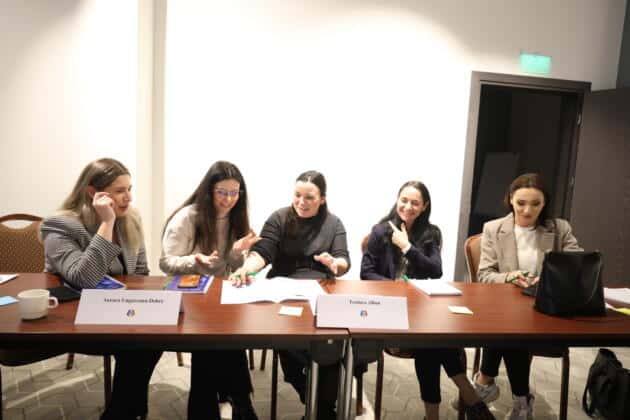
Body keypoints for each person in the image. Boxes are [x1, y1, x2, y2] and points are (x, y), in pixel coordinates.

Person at [361, 180, 495, 420]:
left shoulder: (431, 233)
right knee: (433, 342)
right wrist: (397, 287)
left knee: (432, 342)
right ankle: (471, 400)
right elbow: (366, 272)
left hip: (420, 309)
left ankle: (435, 415)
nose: (408, 206)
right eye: (404, 200)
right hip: (391, 309)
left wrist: (407, 247)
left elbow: (435, 270)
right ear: (397, 200)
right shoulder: (381, 231)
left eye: (415, 203)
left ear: (424, 206)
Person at [40, 158, 162, 420]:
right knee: (138, 345)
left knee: (153, 336)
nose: (128, 197)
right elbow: (83, 278)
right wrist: (107, 223)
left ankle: (123, 411)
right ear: (93, 193)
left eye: (130, 189)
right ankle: (126, 411)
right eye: (120, 191)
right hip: (75, 316)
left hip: (117, 310)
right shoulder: (59, 225)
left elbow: (140, 273)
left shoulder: (130, 218)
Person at [230, 170, 350, 420]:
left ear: (322, 199)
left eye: (309, 197)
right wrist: (246, 268)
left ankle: (320, 409)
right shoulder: (280, 218)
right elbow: (263, 251)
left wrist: (334, 264)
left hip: (320, 291)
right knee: (289, 341)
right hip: (284, 293)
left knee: (330, 346)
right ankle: (319, 406)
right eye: (297, 195)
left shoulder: (333, 224)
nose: (301, 202)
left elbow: (343, 260)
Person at [475, 173, 582, 420]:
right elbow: (485, 275)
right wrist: (510, 277)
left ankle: (484, 382)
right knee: (511, 327)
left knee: (509, 329)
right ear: (510, 199)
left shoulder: (559, 228)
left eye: (535, 204)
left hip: (547, 307)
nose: (527, 210)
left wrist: (548, 278)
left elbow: (577, 265)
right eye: (521, 203)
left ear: (545, 204)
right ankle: (522, 400)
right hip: (507, 309)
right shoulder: (493, 228)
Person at [160, 161, 259, 420]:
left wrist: (236, 254)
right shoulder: (187, 217)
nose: (228, 200)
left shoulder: (236, 217)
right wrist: (195, 260)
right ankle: (240, 403)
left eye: (234, 193)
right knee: (216, 340)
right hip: (190, 294)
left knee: (224, 337)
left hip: (220, 296)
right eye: (222, 192)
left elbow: (230, 267)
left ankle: (214, 405)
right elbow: (166, 263)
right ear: (209, 191)